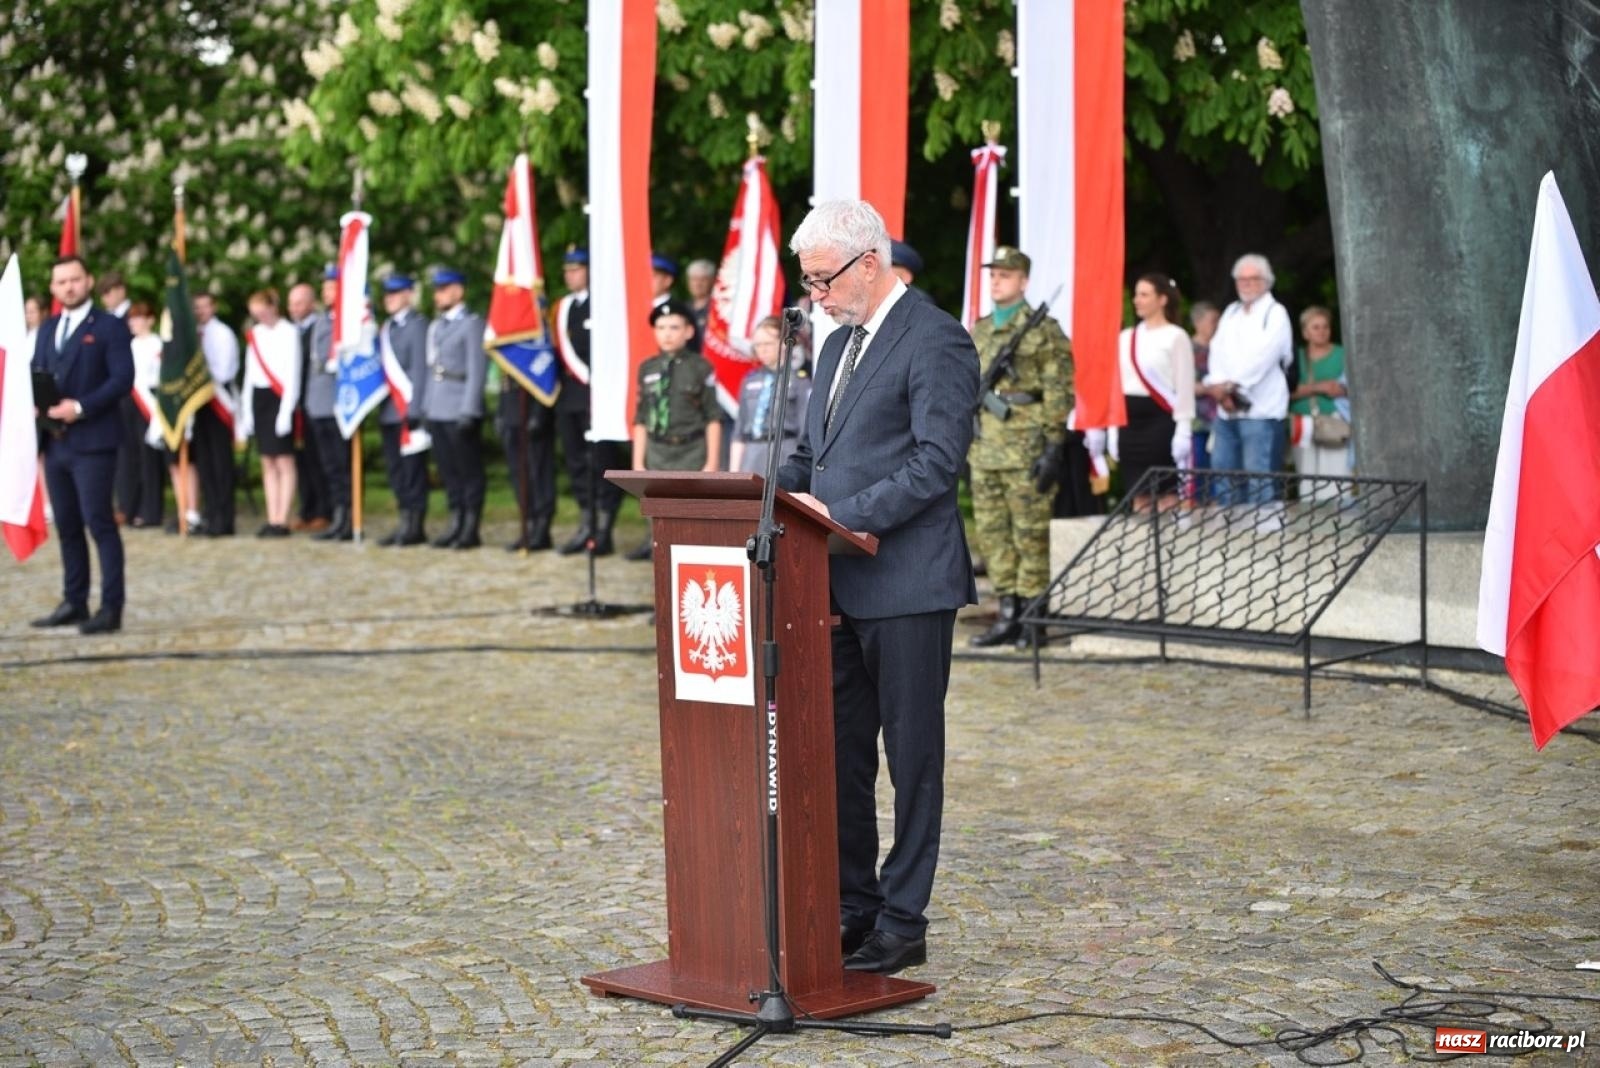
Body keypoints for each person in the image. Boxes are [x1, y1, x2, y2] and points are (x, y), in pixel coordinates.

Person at [776, 200, 978, 975]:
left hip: (908, 583)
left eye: (821, 280)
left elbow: (935, 463)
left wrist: (841, 516)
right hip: (834, 586)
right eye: (808, 284)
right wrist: (756, 497)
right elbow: (811, 458)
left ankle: (903, 919)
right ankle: (853, 904)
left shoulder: (936, 339)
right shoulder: (835, 348)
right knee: (842, 756)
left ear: (869, 262)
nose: (814, 297)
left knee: (912, 756)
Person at [966, 246, 1073, 648]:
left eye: (1005, 275)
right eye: (993, 274)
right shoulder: (980, 329)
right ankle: (1007, 614)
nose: (996, 280)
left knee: (1030, 534)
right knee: (993, 535)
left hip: (1026, 445)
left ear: (1024, 282)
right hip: (984, 447)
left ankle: (1033, 619)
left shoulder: (1044, 330)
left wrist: (1053, 448)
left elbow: (1059, 391)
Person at [30, 255, 134, 635]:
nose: (68, 287)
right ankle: (74, 601)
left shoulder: (109, 327)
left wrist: (80, 406)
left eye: (75, 279)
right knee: (68, 526)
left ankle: (111, 607)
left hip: (94, 440)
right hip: (56, 442)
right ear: (54, 288)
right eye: (61, 282)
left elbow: (123, 378)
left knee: (99, 522)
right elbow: (38, 372)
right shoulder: (48, 328)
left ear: (88, 281)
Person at [627, 300, 720, 561]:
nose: (667, 333)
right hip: (657, 452)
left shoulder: (701, 367)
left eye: (674, 327)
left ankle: (693, 563)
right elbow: (641, 419)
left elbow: (712, 417)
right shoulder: (647, 368)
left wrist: (711, 462)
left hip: (691, 452)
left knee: (692, 517)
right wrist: (638, 463)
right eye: (661, 327)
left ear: (689, 332)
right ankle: (662, 568)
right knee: (658, 516)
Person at [1200, 253, 1292, 507]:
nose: (1247, 284)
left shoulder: (1275, 313)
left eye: (1253, 279)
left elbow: (1264, 356)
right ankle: (1232, 538)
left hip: (1261, 410)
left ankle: (1264, 538)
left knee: (1259, 478)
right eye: (1241, 279)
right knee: (1224, 474)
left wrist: (1232, 387)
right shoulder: (1231, 312)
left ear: (1266, 281)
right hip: (1227, 411)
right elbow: (1216, 351)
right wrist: (1219, 387)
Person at [552, 248, 622, 557]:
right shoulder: (563, 307)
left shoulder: (604, 304)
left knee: (601, 462)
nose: (570, 275)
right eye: (567, 270)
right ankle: (586, 523)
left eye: (576, 269)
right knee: (577, 463)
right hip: (570, 396)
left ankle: (604, 529)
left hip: (598, 396)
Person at [1116, 273, 1196, 510]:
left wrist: (1183, 428)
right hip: (1129, 423)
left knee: (1165, 493)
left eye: (1144, 295)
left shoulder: (1176, 336)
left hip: (1160, 422)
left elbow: (1184, 386)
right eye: (1136, 295)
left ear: (1162, 300)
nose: (1137, 300)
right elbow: (1117, 383)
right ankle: (1142, 546)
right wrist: (1112, 428)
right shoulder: (1126, 337)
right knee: (1138, 493)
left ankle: (1168, 545)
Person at [423, 268, 488, 549]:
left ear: (458, 291)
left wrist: (470, 409)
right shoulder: (437, 327)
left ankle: (471, 526)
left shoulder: (472, 324)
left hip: (460, 404)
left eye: (443, 289)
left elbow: (477, 369)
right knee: (448, 470)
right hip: (438, 406)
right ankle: (455, 520)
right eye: (436, 290)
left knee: (468, 470)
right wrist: (426, 407)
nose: (437, 295)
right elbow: (430, 370)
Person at [237, 289, 300, 537]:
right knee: (267, 461)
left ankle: (283, 518)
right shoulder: (257, 334)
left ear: (274, 307)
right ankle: (271, 516)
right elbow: (250, 374)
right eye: (256, 314)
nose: (260, 317)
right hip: (260, 398)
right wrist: (246, 410)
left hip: (280, 397)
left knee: (283, 460)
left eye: (263, 311)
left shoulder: (289, 332)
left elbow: (292, 374)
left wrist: (286, 410)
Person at [375, 275, 431, 547]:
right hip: (388, 411)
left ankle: (415, 524)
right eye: (387, 294)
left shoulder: (418, 326)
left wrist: (416, 407)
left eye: (395, 294)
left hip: (408, 408)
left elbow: (420, 370)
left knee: (413, 470)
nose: (389, 298)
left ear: (409, 295)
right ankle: (403, 519)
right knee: (396, 471)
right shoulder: (386, 329)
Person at [304, 269, 351, 541]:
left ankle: (348, 516)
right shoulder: (322, 320)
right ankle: (337, 514)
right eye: (324, 288)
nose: (326, 292)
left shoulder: (349, 321)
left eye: (331, 287)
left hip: (338, 400)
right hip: (319, 400)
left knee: (342, 465)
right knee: (329, 465)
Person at [730, 315, 811, 475]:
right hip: (752, 453)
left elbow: (805, 430)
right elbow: (740, 430)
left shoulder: (799, 380)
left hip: (785, 449)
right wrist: (734, 470)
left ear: (783, 344)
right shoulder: (749, 380)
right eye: (758, 345)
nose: (762, 350)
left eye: (768, 344)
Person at [1288, 305, 1352, 500]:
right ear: (1305, 332)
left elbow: (1348, 388)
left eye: (1325, 326)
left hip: (1334, 420)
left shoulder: (1342, 354)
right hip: (1301, 420)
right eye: (1315, 327)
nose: (1322, 331)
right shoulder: (1295, 356)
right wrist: (1320, 387)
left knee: (1336, 474)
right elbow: (1286, 391)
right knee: (1306, 474)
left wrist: (1305, 388)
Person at [192, 291, 240, 536]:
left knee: (221, 464)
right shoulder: (193, 335)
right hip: (200, 404)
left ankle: (225, 519)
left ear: (214, 307)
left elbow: (226, 371)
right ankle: (210, 515)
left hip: (219, 402)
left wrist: (202, 376)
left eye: (204, 306)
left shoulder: (223, 334)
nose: (200, 311)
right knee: (205, 463)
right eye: (196, 307)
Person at [287, 281, 331, 532]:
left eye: (299, 303)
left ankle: (323, 509)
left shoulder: (319, 327)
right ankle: (307, 508)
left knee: (319, 459)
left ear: (311, 303)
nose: (294, 308)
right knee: (301, 460)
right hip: (296, 405)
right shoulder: (290, 331)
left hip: (315, 401)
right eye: (291, 303)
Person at [122, 302, 166, 530]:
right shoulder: (129, 345)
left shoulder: (157, 343)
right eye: (131, 318)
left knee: (149, 458)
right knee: (131, 458)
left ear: (150, 319)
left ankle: (151, 511)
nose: (133, 322)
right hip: (130, 402)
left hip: (149, 402)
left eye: (138, 318)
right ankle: (131, 507)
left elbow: (159, 377)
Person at [1188, 300, 1220, 473]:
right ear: (1198, 322)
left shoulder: (1222, 348)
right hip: (1197, 422)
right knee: (1199, 470)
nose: (1217, 325)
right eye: (1213, 320)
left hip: (1220, 420)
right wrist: (1212, 389)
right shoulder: (1187, 348)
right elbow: (1183, 385)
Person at [684, 257, 715, 344]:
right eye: (694, 279)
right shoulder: (682, 309)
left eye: (703, 279)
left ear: (712, 281)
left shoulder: (718, 310)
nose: (698, 284)